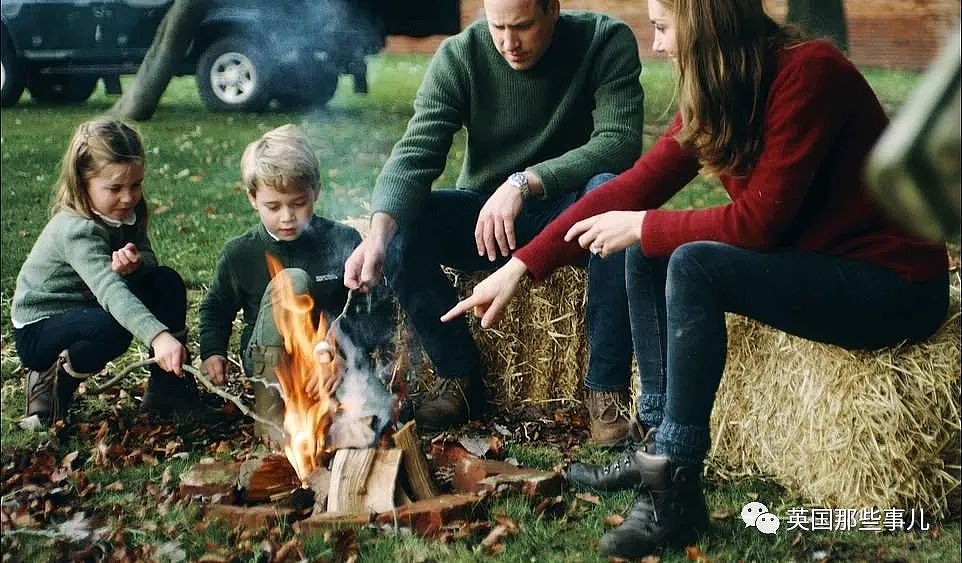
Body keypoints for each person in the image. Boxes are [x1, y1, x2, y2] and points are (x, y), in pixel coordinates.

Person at [443, 0, 949, 557]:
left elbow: (757, 226)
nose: (657, 45)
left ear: (705, 21)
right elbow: (632, 188)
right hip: (821, 264)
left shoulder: (810, 73)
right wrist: (520, 267)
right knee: (648, 247)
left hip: (890, 286)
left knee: (686, 257)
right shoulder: (725, 90)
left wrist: (647, 225)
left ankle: (675, 491)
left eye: (662, 27)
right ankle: (657, 449)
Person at [343, 0, 645, 441]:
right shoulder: (460, 55)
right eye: (497, 26)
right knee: (403, 226)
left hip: (573, 212)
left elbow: (619, 143)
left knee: (610, 196)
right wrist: (377, 234)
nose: (508, 43)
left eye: (522, 26)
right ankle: (457, 375)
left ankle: (606, 391)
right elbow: (416, 152)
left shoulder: (605, 40)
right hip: (487, 217)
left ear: (553, 10)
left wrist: (526, 181)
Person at [199, 124, 392, 448]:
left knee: (375, 424)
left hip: (334, 360)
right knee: (292, 280)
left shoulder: (343, 241)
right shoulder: (241, 253)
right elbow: (215, 308)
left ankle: (331, 415)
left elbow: (368, 309)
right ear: (252, 198)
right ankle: (271, 413)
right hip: (274, 365)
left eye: (298, 203)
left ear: (315, 191)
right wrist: (212, 351)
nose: (287, 216)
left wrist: (340, 353)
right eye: (273, 207)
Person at [12, 118, 201, 430]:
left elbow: (147, 255)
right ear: (82, 183)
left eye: (136, 185)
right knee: (112, 328)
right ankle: (53, 380)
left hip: (87, 305)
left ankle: (168, 390)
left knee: (166, 281)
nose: (128, 197)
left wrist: (137, 263)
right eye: (115, 188)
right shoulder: (77, 229)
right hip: (42, 326)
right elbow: (110, 291)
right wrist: (159, 336)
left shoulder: (127, 210)